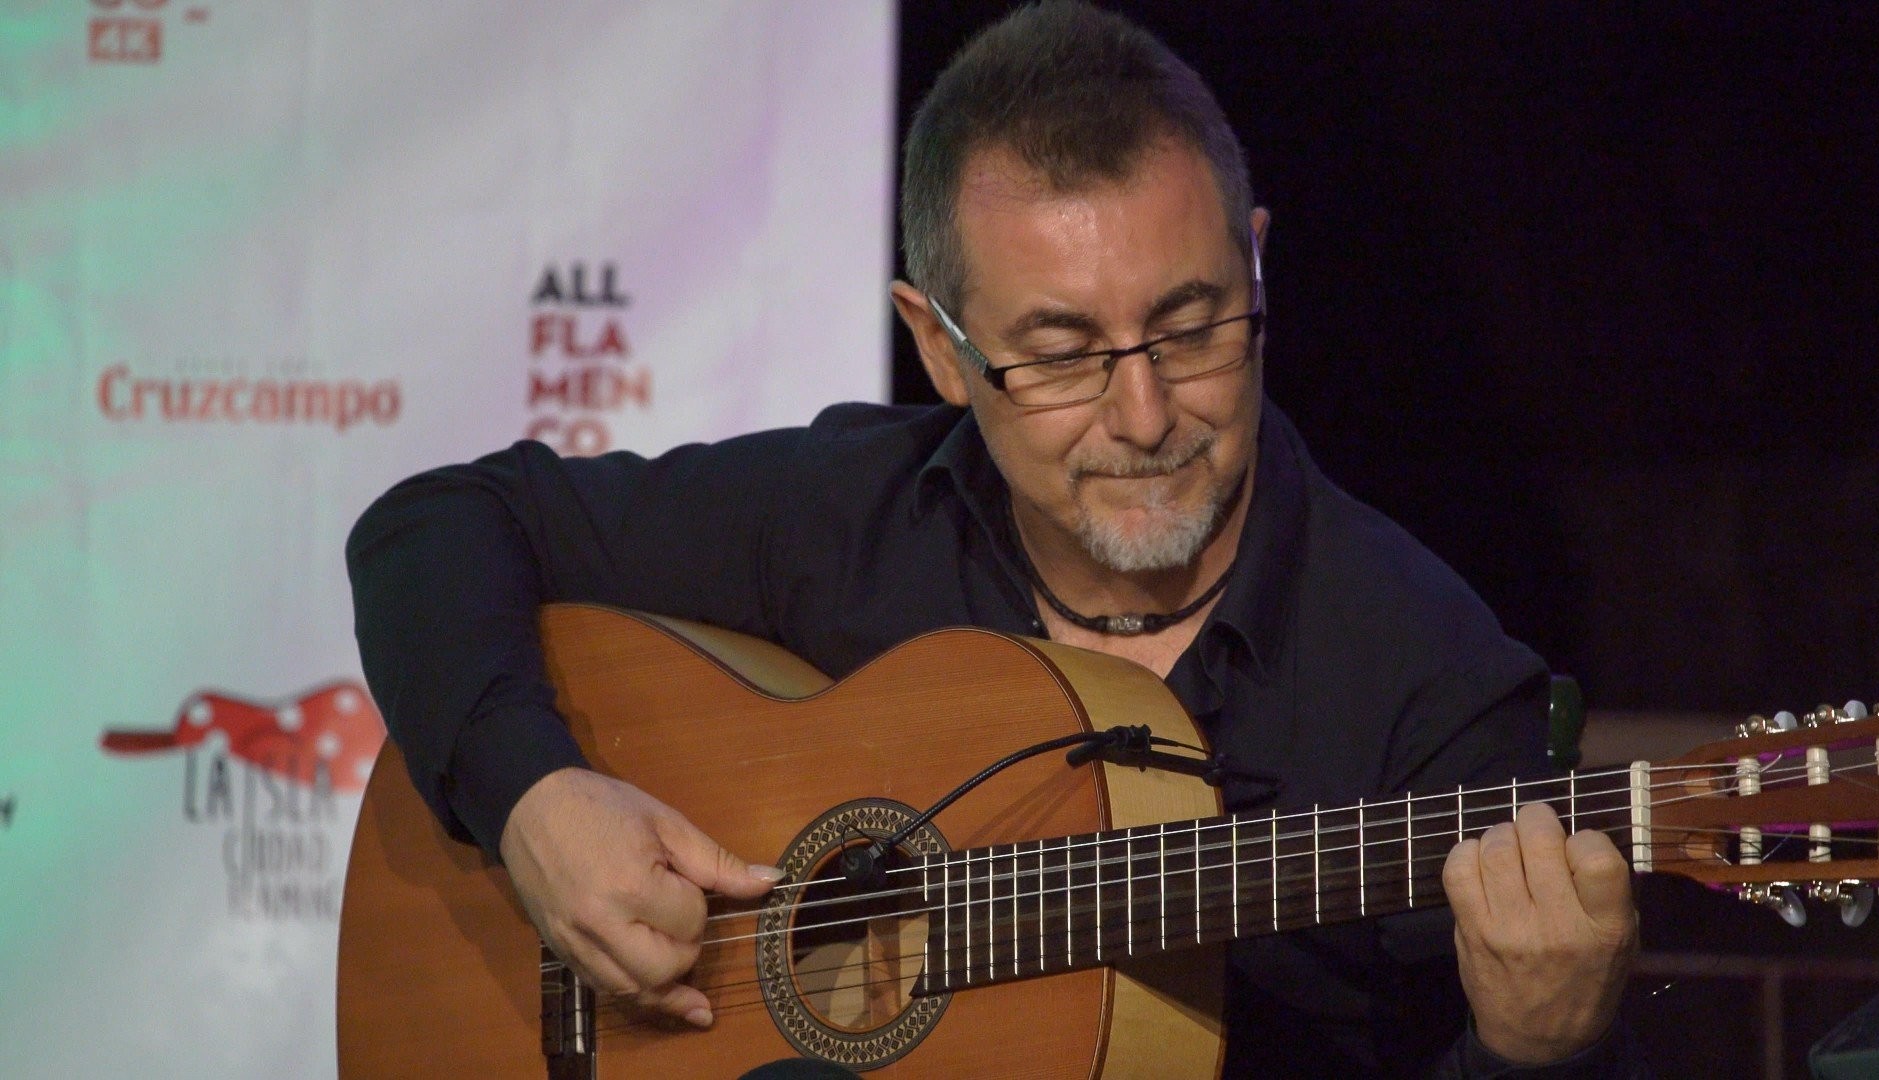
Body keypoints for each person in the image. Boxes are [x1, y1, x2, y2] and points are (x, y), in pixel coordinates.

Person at [347, 3, 1643, 1076]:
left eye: (1191, 329)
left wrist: (1538, 1051)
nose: (1145, 416)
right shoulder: (854, 511)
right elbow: (435, 527)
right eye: (1063, 356)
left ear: (1258, 268)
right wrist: (533, 795)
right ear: (938, 345)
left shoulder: (1427, 684)